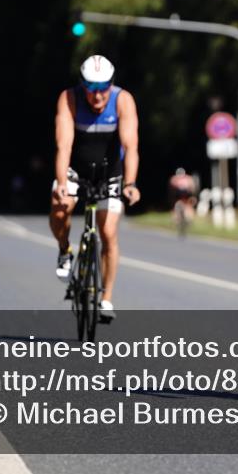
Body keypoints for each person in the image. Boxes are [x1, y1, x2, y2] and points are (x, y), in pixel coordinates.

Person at [50, 55, 140, 322]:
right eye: (91, 88)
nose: (98, 95)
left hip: (109, 173)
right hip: (75, 169)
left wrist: (131, 184)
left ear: (111, 84)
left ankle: (106, 299)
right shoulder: (69, 99)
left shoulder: (123, 100)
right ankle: (65, 249)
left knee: (108, 231)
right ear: (82, 86)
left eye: (103, 88)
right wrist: (62, 185)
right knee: (60, 210)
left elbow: (131, 147)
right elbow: (63, 146)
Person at [168, 168, 196, 232]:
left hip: (185, 196)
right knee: (183, 206)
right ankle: (180, 220)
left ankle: (185, 220)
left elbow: (170, 190)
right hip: (180, 196)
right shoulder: (186, 178)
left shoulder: (174, 179)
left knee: (188, 206)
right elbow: (193, 188)